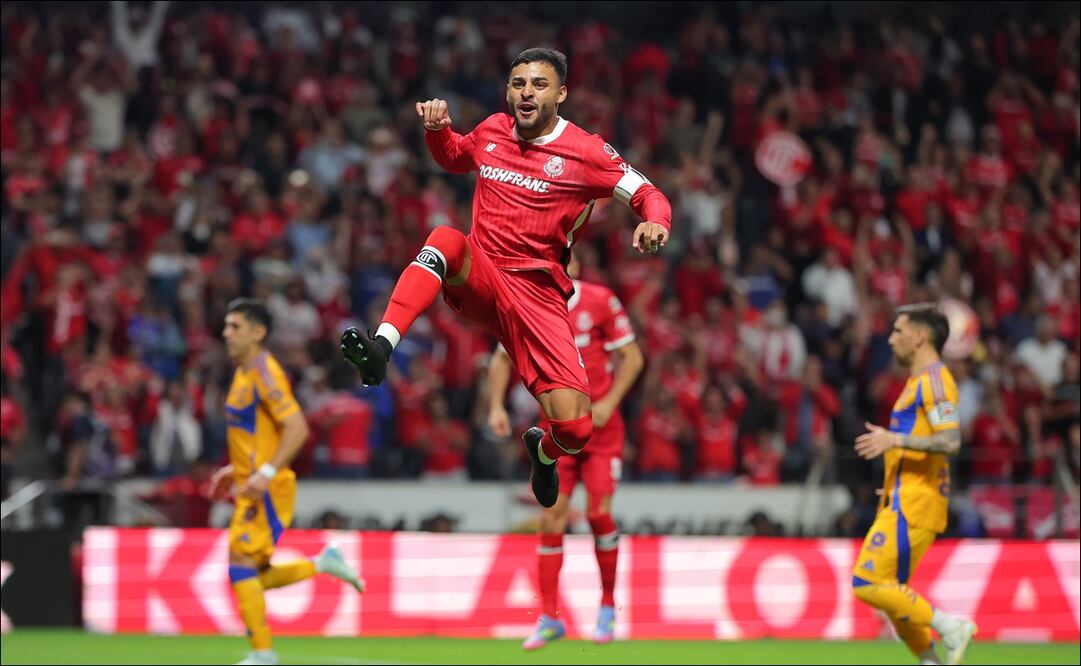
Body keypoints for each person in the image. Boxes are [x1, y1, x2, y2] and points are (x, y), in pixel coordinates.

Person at [340, 47, 671, 508]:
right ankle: (382, 347)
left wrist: (656, 221)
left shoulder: (587, 152)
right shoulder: (493, 129)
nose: (526, 93)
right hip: (484, 273)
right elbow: (455, 157)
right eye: (518, 84)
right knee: (445, 238)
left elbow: (648, 194)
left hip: (539, 297)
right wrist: (438, 130)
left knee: (576, 429)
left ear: (561, 93)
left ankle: (543, 451)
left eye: (538, 84)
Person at [488, 253, 643, 649]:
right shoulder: (529, 304)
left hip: (603, 431)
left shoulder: (600, 301)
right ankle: (548, 618)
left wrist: (610, 402)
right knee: (551, 519)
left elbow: (633, 358)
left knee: (597, 513)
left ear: (571, 266)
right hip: (557, 434)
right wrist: (495, 406)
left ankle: (607, 607)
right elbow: (501, 359)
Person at [209, 299, 364, 666]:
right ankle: (322, 564)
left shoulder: (264, 372)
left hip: (268, 486)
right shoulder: (244, 372)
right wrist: (235, 469)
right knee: (252, 573)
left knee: (240, 561)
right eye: (226, 326)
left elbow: (297, 428)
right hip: (252, 484)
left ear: (258, 332)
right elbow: (258, 434)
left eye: (235, 327)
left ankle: (263, 654)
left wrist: (263, 473)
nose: (225, 333)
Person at [852, 305, 978, 665]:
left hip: (916, 502)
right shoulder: (917, 382)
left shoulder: (937, 381)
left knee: (867, 582)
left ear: (920, 336)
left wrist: (894, 442)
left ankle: (950, 625)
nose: (890, 340)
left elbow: (950, 440)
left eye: (897, 332)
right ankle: (930, 661)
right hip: (901, 497)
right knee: (894, 595)